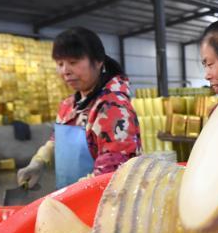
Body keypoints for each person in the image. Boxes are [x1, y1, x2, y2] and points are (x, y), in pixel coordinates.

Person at [18, 27, 141, 190]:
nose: (65, 71)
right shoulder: (69, 105)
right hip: (71, 198)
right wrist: (39, 160)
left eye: (73, 63)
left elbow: (112, 173)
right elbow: (57, 139)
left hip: (100, 202)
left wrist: (68, 196)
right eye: (60, 64)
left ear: (98, 62)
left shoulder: (113, 109)